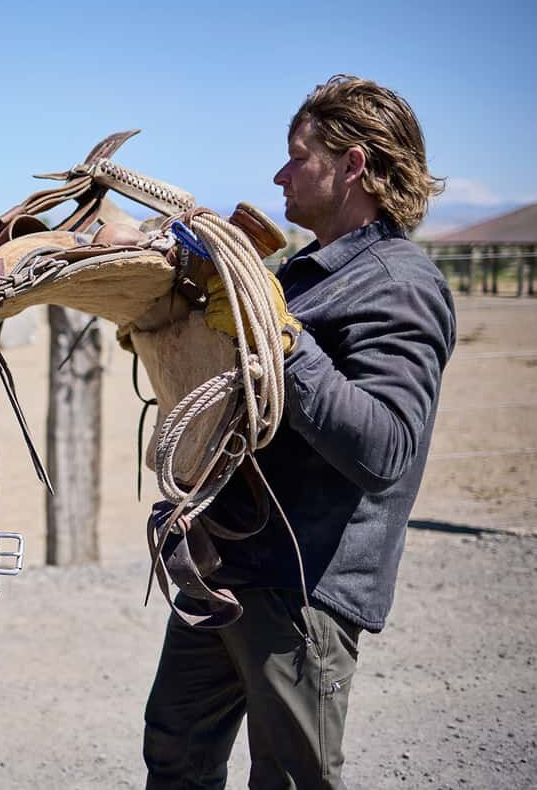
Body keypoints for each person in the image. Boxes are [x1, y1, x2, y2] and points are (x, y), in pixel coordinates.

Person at [142, 75, 456, 789]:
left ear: (353, 166)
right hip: (227, 566)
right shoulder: (305, 273)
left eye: (297, 158)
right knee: (175, 754)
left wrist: (281, 341)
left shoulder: (396, 283)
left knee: (291, 777)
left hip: (302, 586)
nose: (280, 175)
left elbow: (385, 449)